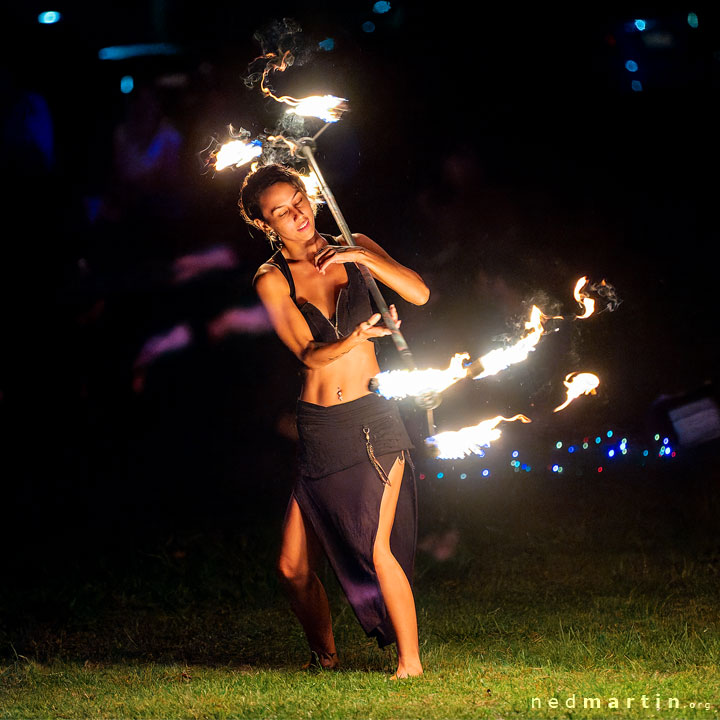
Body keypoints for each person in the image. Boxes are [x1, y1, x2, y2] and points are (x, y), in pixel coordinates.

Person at [241, 164, 430, 679]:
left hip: (373, 418)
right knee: (293, 567)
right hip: (321, 428)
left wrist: (362, 257)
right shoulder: (271, 278)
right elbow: (307, 353)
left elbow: (418, 293)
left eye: (298, 199)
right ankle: (324, 655)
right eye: (281, 211)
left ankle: (409, 664)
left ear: (310, 195)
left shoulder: (355, 243)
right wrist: (356, 337)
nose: (297, 214)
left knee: (376, 543)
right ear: (266, 224)